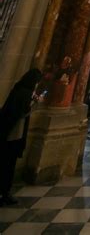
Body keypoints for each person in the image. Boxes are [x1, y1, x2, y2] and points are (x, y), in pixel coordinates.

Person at [0, 68, 42, 205]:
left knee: (7, 163)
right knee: (8, 164)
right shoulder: (25, 94)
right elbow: (21, 114)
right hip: (12, 135)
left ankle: (4, 191)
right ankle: (4, 192)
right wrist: (34, 103)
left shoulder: (18, 90)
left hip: (9, 133)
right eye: (37, 82)